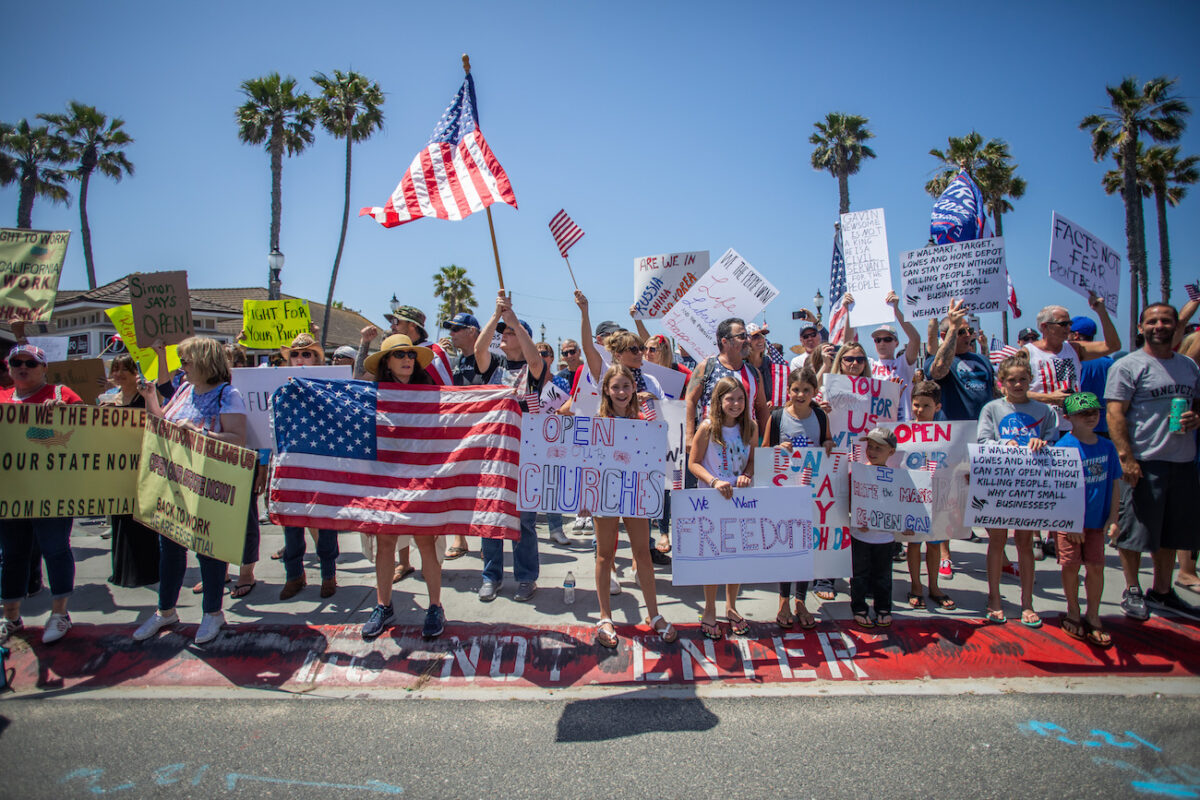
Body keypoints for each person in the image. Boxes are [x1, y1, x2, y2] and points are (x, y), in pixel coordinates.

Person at [132, 336, 253, 645]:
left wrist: (202, 433)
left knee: (207, 551)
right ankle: (166, 611)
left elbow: (238, 438)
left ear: (203, 362)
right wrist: (149, 398)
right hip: (175, 481)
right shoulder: (184, 389)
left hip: (209, 484)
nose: (181, 365)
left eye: (185, 360)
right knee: (169, 550)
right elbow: (164, 424)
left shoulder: (228, 394)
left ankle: (212, 613)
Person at [1106, 302, 1200, 621]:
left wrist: (1196, 417)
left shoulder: (1189, 366)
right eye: (1152, 321)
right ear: (1141, 327)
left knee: (1172, 531)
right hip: (1144, 460)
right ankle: (1132, 589)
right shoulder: (1129, 365)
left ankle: (1161, 591)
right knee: (1134, 530)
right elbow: (1115, 412)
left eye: (1166, 321)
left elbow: (1197, 403)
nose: (1159, 325)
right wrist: (1126, 458)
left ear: (1177, 327)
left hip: (1182, 460)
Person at [358, 334, 448, 639]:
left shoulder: (431, 392)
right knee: (385, 544)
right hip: (386, 478)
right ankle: (383, 605)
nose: (407, 360)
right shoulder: (374, 393)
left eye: (410, 354)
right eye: (399, 356)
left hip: (422, 477)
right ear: (386, 362)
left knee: (425, 542)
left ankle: (435, 606)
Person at [584, 364, 677, 648]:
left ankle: (654, 615)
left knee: (643, 554)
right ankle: (605, 618)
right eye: (616, 387)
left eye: (626, 386)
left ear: (633, 388)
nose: (621, 392)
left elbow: (660, 451)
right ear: (606, 391)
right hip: (605, 493)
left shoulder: (644, 417)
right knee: (604, 555)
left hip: (636, 492)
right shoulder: (597, 420)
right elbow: (585, 460)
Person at [0, 344, 84, 645]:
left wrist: (63, 417)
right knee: (11, 555)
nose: (23, 367)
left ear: (44, 368)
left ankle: (60, 614)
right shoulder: (1, 398)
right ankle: (10, 616)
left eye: (31, 363)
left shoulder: (62, 395)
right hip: (10, 491)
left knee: (55, 548)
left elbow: (87, 433)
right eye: (16, 362)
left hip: (52, 490)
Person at [977, 352, 1058, 627]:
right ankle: (995, 598)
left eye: (1023, 379)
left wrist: (1043, 444)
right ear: (1002, 382)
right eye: (1012, 380)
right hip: (999, 483)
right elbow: (984, 441)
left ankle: (1027, 603)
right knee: (997, 542)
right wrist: (1004, 445)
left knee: (1024, 542)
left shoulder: (1044, 411)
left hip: (1030, 486)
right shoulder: (991, 409)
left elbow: (1053, 441)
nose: (1018, 384)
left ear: (1030, 380)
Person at [474, 291, 545, 602]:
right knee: (491, 516)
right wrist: (496, 315)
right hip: (493, 452)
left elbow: (535, 359)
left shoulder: (533, 369)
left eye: (510, 332)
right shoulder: (495, 365)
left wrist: (513, 319)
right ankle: (491, 576)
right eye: (502, 332)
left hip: (525, 452)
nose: (503, 335)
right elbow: (478, 350)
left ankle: (527, 577)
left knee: (523, 521)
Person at [761, 366, 831, 630]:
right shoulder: (777, 417)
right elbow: (765, 449)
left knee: (805, 548)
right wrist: (778, 448)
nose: (800, 394)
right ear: (788, 390)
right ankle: (783, 600)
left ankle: (801, 600)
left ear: (814, 392)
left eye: (806, 390)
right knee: (786, 546)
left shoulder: (821, 416)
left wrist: (827, 446)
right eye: (795, 389)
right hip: (782, 495)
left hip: (811, 493)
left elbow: (828, 442)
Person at [688, 376, 757, 640]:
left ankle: (732, 606)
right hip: (712, 499)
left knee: (735, 556)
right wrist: (714, 481)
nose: (736, 404)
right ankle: (709, 608)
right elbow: (694, 463)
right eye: (730, 398)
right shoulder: (707, 427)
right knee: (713, 556)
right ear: (718, 401)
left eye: (740, 398)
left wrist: (747, 475)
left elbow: (752, 461)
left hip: (740, 501)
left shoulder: (750, 426)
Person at [1053, 392, 1120, 647]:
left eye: (1094, 411)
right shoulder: (1062, 449)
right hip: (1069, 523)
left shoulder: (1108, 446)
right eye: (1084, 413)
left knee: (1096, 567)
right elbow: (1058, 491)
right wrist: (1071, 522)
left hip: (1097, 522)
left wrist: (1114, 518)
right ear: (1068, 418)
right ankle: (1072, 610)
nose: (1091, 417)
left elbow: (1115, 485)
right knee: (1070, 566)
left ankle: (1093, 614)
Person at [278, 333, 340, 601]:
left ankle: (328, 574)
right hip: (289, 463)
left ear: (316, 359)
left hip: (321, 463)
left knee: (325, 522)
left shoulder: (330, 386)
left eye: (307, 354)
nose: (300, 359)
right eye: (296, 354)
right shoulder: (279, 387)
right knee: (291, 523)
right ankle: (294, 575)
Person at [100, 355, 160, 589]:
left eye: (125, 369)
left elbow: (156, 421)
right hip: (118, 466)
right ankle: (122, 571)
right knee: (120, 519)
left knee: (141, 521)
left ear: (136, 372)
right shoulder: (107, 399)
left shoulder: (144, 396)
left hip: (142, 465)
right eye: (115, 369)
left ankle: (146, 570)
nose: (119, 374)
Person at [684, 317, 769, 467]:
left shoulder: (753, 372)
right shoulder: (707, 366)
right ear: (725, 341)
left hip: (745, 443)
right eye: (742, 336)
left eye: (747, 336)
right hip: (712, 443)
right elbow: (690, 400)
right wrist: (689, 436)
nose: (747, 340)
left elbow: (761, 408)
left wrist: (767, 442)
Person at [903, 381, 956, 611]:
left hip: (939, 497)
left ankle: (933, 587)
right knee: (914, 544)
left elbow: (957, 464)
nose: (919, 410)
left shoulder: (949, 435)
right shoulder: (903, 431)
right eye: (916, 404)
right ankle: (916, 586)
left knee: (934, 545)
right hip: (912, 496)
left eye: (926, 405)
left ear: (937, 407)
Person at [850, 427, 905, 628]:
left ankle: (884, 608)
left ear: (891, 452)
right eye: (869, 446)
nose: (871, 451)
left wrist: (904, 523)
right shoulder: (858, 472)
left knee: (883, 576)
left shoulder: (897, 477)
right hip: (860, 535)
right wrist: (856, 518)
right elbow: (849, 501)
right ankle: (858, 607)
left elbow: (901, 506)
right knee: (859, 576)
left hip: (885, 538)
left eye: (878, 448)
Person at [927, 298, 996, 422]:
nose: (967, 335)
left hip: (984, 432)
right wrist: (953, 327)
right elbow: (939, 371)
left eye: (969, 330)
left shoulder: (983, 360)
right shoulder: (934, 360)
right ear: (944, 335)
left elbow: (994, 392)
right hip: (953, 432)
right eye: (961, 332)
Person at [870, 290, 922, 421]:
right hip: (876, 425)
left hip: (902, 423)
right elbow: (847, 346)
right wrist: (848, 311)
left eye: (887, 339)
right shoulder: (868, 365)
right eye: (878, 340)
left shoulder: (903, 363)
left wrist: (896, 310)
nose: (882, 343)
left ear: (896, 343)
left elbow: (915, 339)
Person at [1069, 316, 1115, 438]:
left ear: (1076, 335)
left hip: (1076, 424)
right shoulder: (1109, 362)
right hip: (1103, 424)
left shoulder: (1073, 360)